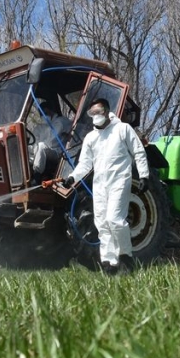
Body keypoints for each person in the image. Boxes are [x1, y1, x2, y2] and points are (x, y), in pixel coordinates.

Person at [62, 98, 150, 275]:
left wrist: (144, 175)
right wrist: (72, 178)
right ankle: (109, 263)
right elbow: (85, 163)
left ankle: (125, 257)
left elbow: (138, 151)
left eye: (98, 112)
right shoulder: (91, 138)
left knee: (115, 220)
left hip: (119, 180)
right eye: (92, 113)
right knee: (102, 223)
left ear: (108, 111)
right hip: (100, 184)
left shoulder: (122, 129)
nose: (95, 116)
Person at [30, 97, 70, 179]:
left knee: (41, 146)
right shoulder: (39, 128)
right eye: (41, 114)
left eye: (45, 113)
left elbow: (51, 142)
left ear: (51, 111)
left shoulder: (61, 121)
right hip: (38, 152)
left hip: (57, 152)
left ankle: (37, 175)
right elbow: (32, 142)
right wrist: (34, 150)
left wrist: (38, 148)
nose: (43, 115)